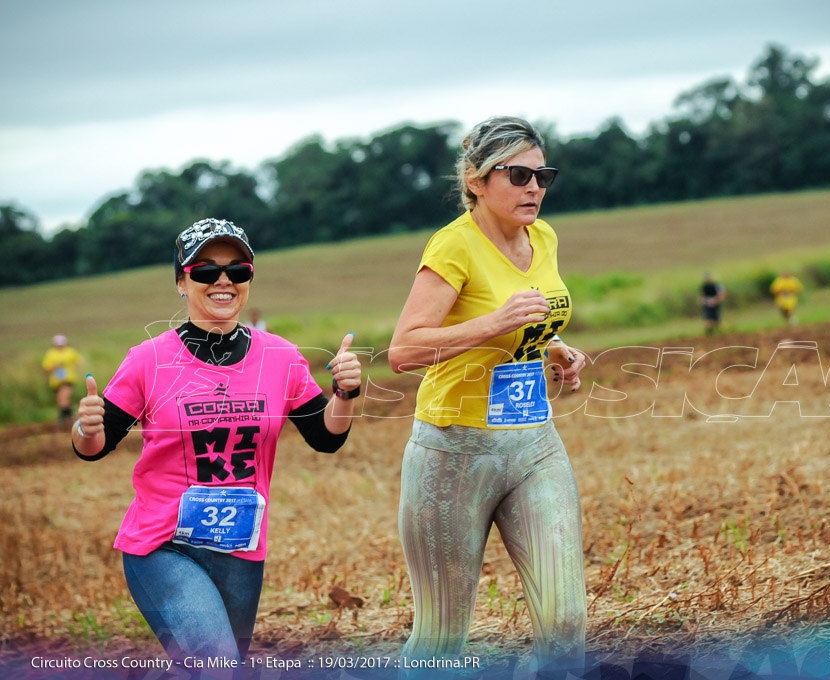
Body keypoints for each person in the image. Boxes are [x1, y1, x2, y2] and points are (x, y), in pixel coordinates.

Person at [72, 218, 362, 674]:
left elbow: (325, 437)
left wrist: (345, 394)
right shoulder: (148, 359)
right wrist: (87, 428)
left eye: (237, 270)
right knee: (219, 664)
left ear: (249, 280)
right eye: (206, 271)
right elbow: (94, 445)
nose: (223, 280)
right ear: (182, 282)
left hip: (240, 549)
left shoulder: (281, 357)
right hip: (163, 547)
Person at [388, 116, 588, 677]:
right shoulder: (453, 246)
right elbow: (404, 350)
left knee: (567, 624)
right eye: (519, 174)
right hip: (454, 451)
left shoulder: (542, 237)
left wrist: (553, 347)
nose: (535, 188)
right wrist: (490, 324)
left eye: (542, 175)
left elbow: (526, 318)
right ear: (476, 180)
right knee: (441, 641)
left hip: (533, 445)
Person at [42, 334, 82, 426]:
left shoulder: (70, 352)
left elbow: (78, 361)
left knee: (63, 398)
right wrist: (56, 366)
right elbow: (46, 367)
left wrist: (70, 366)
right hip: (56, 382)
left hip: (67, 379)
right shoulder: (51, 353)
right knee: (61, 401)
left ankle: (62, 418)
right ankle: (70, 416)